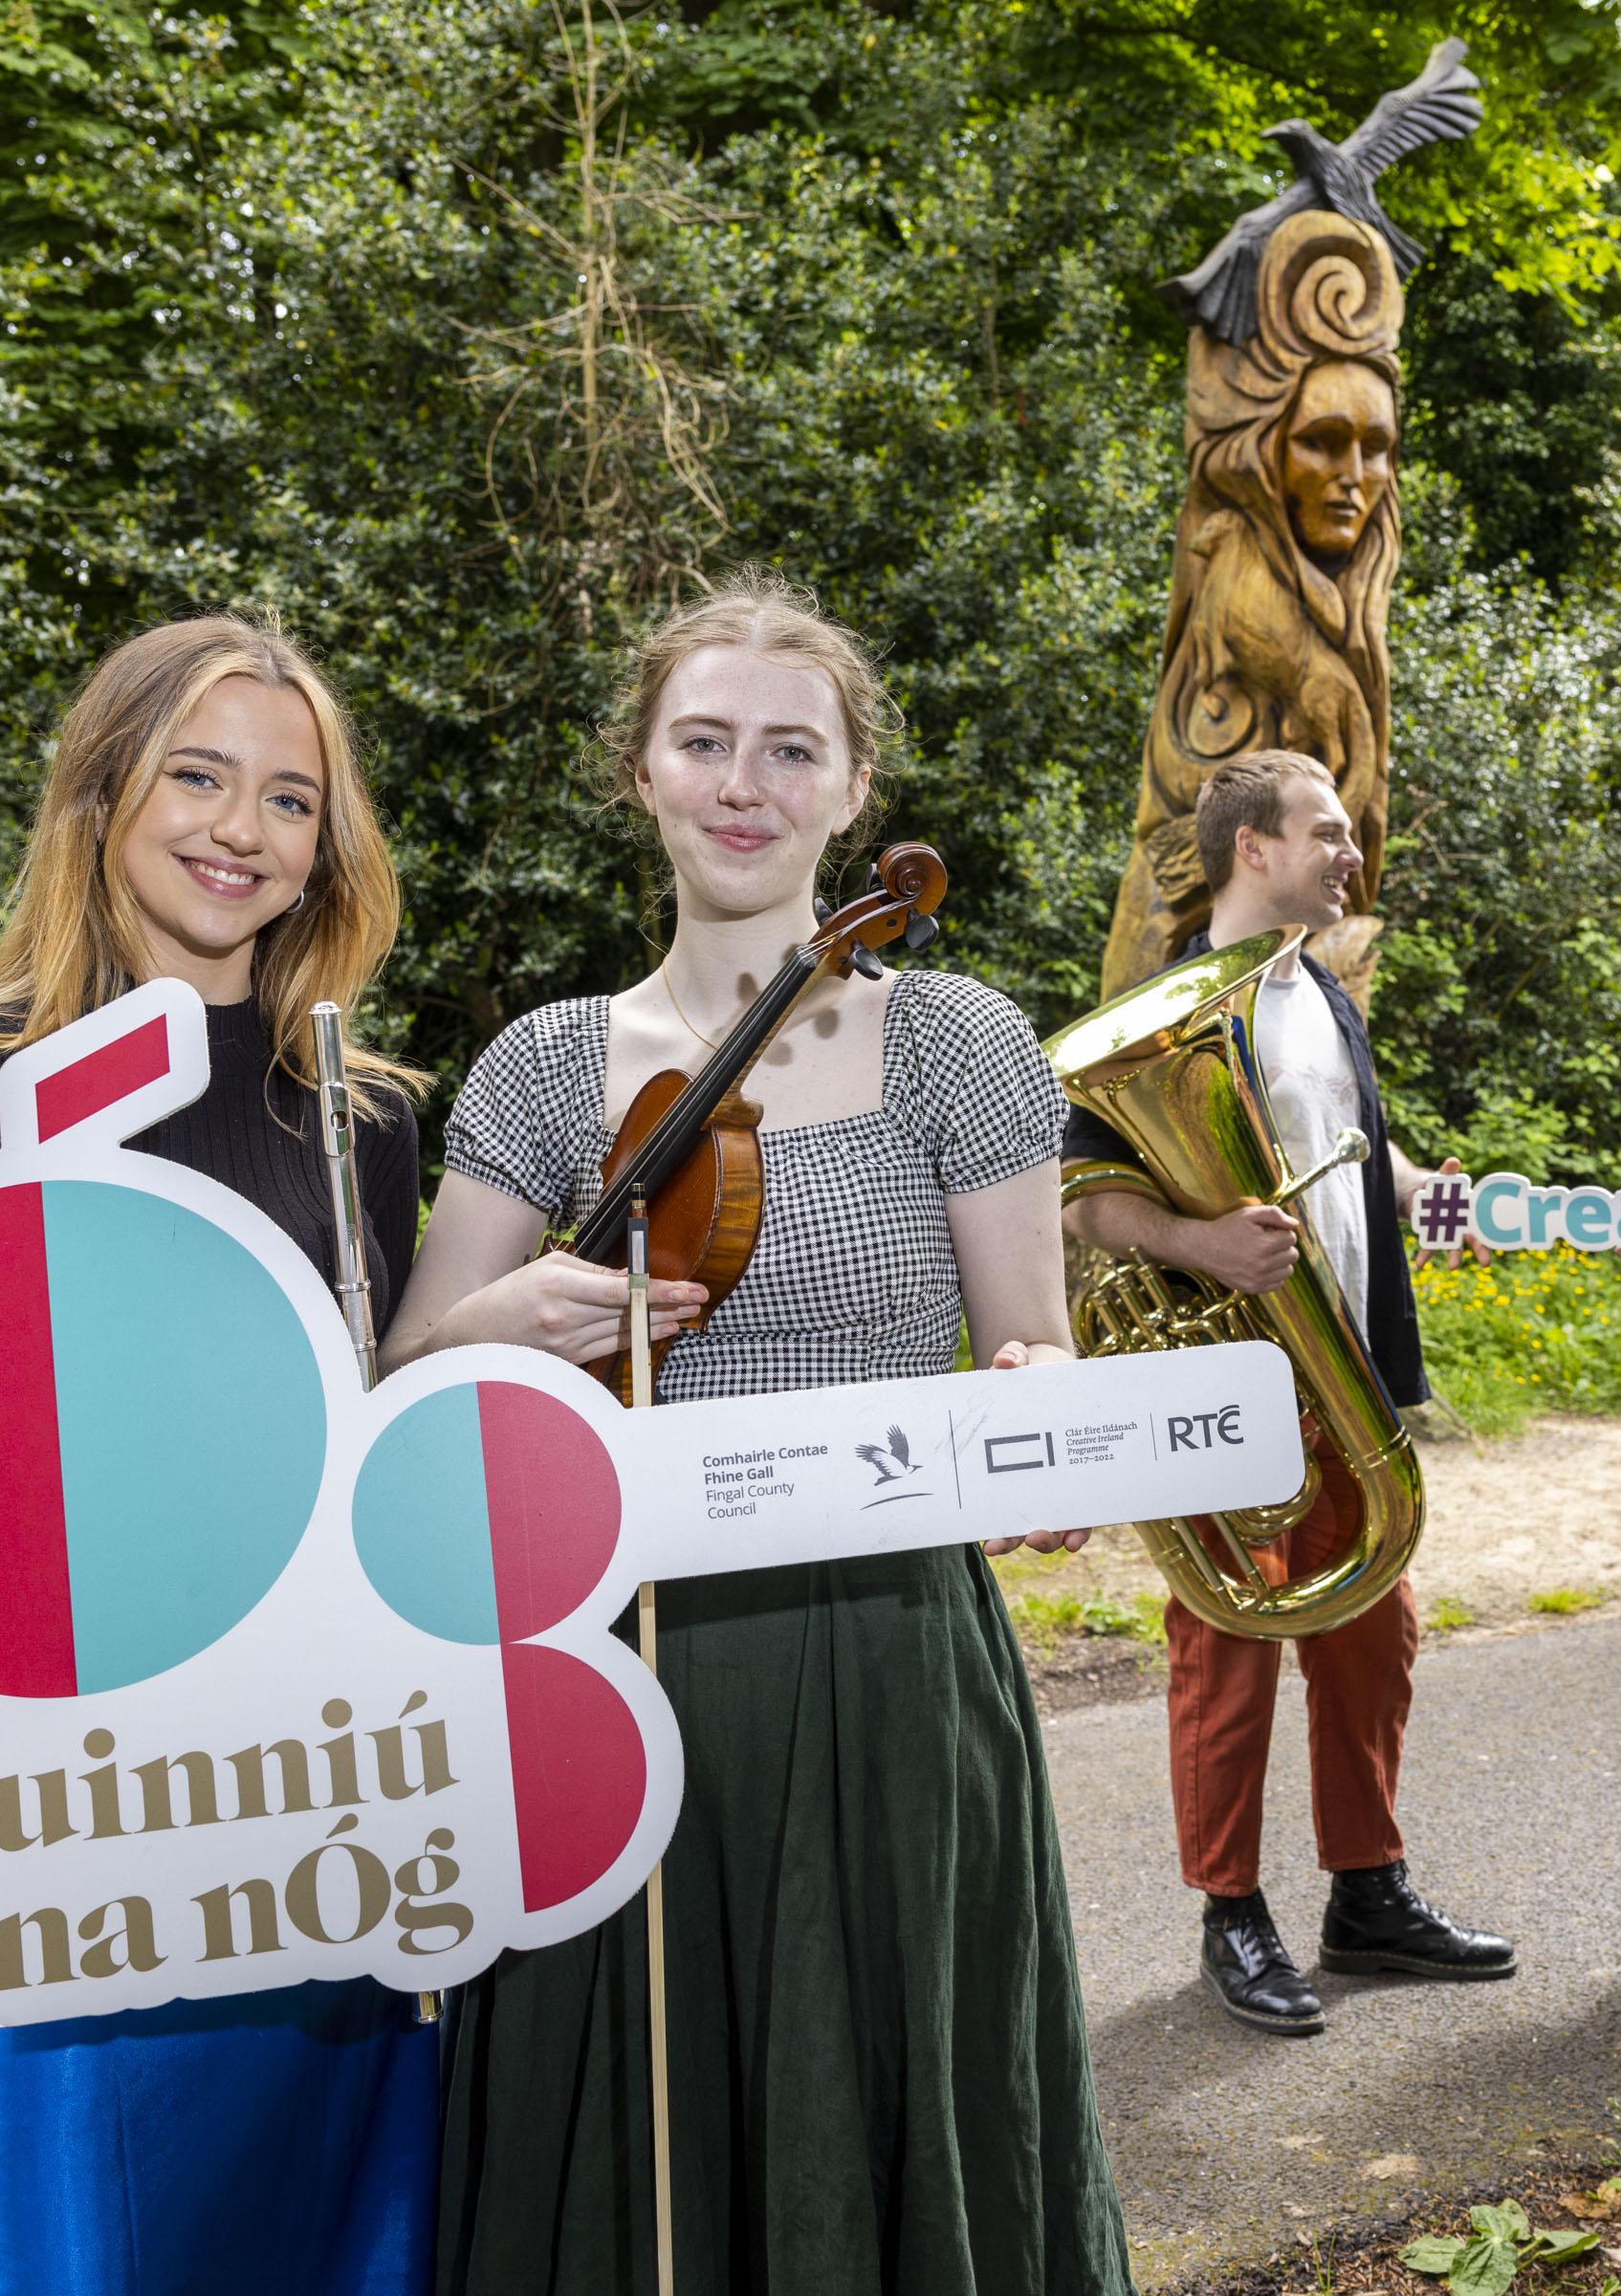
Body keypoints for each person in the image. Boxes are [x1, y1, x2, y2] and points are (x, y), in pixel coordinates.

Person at [387, 573, 1132, 2295]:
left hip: (886, 1654)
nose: (746, 783)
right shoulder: (542, 1063)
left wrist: (1037, 1412)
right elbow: (413, 1369)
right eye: (704, 741)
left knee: (883, 2086)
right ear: (640, 770)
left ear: (853, 789)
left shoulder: (957, 1039)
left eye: (790, 749)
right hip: (615, 1657)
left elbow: (1032, 1345)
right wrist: (499, 1329)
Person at [0, 617, 439, 2292]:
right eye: (196, 775)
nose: (239, 828)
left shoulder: (362, 1116)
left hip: (317, 1775)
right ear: (104, 790)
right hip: (64, 1782)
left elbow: (372, 1448)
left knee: (356, 2239)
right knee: (96, 2244)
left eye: (290, 798)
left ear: (326, 846)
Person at [1061, 747, 1515, 2041]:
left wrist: (1422, 1186)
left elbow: (1339, 1146)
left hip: (1341, 1363)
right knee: (1230, 1647)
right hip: (1227, 1376)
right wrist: (1196, 1244)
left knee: (1375, 1629)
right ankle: (1232, 1908)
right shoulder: (1154, 1009)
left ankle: (1366, 1891)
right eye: (1323, 829)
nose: (1346, 849)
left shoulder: (1317, 987)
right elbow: (1082, 1197)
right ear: (1250, 846)